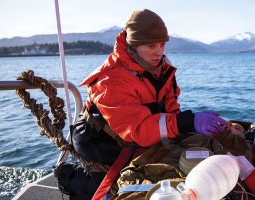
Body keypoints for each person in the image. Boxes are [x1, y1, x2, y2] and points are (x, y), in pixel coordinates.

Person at [56, 8, 227, 199]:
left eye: (162, 44)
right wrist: (186, 122)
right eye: (151, 46)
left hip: (137, 136)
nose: (159, 52)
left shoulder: (162, 68)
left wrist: (190, 126)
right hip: (100, 140)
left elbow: (170, 108)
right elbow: (137, 130)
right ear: (133, 45)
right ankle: (67, 175)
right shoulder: (111, 80)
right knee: (118, 189)